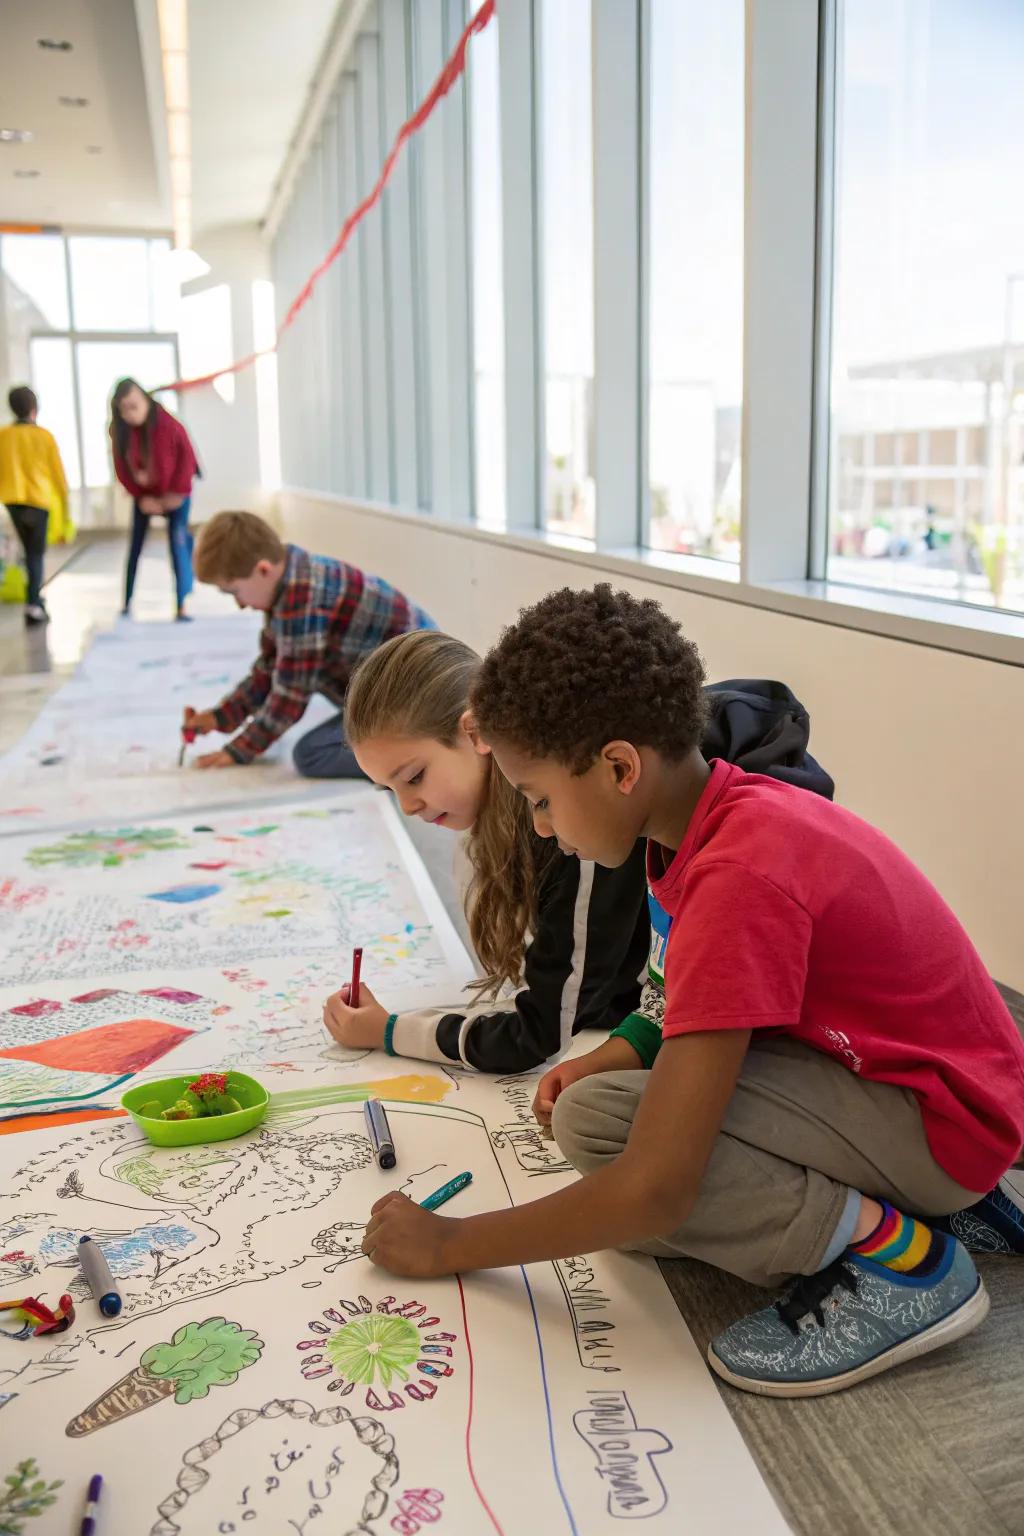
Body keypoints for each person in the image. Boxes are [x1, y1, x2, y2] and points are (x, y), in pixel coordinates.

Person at [359, 584, 1024, 1399]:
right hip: (927, 1088)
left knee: (627, 1172)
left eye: (538, 799)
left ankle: (906, 1259)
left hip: (946, 1122)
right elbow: (691, 995)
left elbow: (657, 1189)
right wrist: (629, 1050)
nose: (536, 826)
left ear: (617, 767)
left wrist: (450, 1245)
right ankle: (919, 1203)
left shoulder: (738, 873)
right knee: (601, 1123)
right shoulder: (708, 820)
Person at [322, 628, 833, 1074]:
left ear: (474, 731)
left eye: (414, 777)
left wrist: (390, 1032)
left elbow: (546, 1028)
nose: (409, 805)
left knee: (592, 1110)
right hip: (674, 1010)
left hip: (763, 1033)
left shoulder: (583, 822)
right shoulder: (533, 818)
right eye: (390, 790)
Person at [186, 510, 436, 774]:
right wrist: (221, 716)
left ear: (263, 570)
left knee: (311, 754)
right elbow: (270, 669)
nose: (239, 604)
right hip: (394, 688)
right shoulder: (288, 581)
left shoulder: (302, 598)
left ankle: (411, 750)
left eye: (234, 591)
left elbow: (291, 694)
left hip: (417, 694)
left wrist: (238, 750)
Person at [111, 377, 200, 621]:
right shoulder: (120, 431)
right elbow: (121, 469)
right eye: (124, 408)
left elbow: (187, 461)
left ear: (146, 401)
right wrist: (141, 497)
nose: (131, 413)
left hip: (176, 495)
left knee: (177, 543)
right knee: (135, 546)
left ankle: (181, 605)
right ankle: (126, 602)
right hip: (145, 497)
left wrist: (174, 496)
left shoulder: (169, 425)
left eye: (135, 405)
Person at [0, 385, 71, 625]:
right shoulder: (43, 436)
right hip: (38, 501)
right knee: (36, 553)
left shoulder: (4, 435)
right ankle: (33, 604)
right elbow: (58, 475)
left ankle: (35, 600)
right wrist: (66, 506)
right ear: (34, 408)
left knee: (29, 551)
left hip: (12, 500)